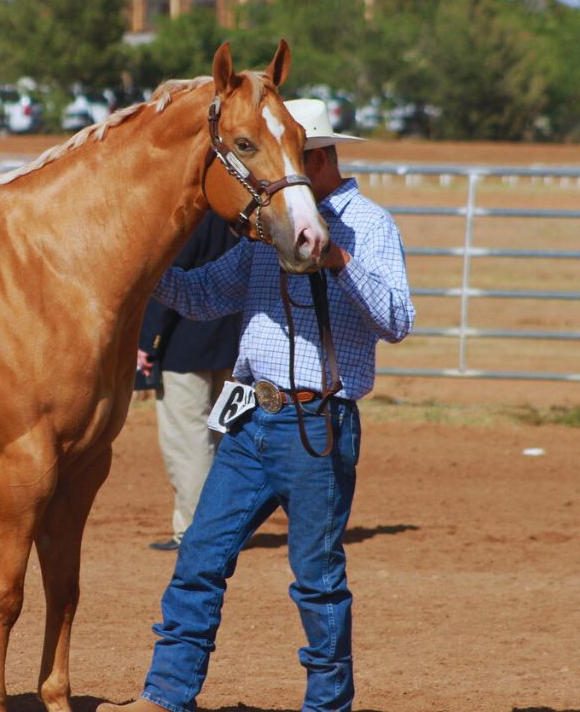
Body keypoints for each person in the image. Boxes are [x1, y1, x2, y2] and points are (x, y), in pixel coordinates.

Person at [98, 98, 416, 712]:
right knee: (199, 556)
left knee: (317, 580)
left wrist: (337, 259)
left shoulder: (368, 225)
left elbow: (398, 319)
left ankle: (327, 705)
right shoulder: (268, 227)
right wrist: (140, 265)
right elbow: (204, 294)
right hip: (251, 419)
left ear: (315, 156)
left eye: (292, 154)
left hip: (316, 422)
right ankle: (166, 696)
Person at [137, 214, 241, 552]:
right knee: (224, 437)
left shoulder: (188, 219)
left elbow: (167, 285)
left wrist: (148, 342)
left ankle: (197, 531)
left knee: (189, 441)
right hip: (233, 343)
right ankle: (229, 527)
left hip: (184, 347)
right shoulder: (239, 212)